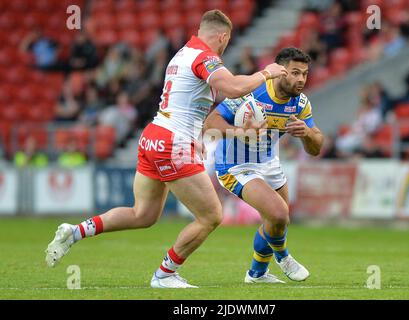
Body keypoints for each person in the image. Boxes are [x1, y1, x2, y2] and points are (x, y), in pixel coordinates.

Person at [45, 10, 288, 289]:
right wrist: (265, 73)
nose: (225, 47)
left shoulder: (182, 54)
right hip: (173, 142)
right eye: (226, 41)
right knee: (211, 216)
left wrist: (196, 136)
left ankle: (74, 232)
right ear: (222, 36)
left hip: (154, 136)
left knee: (143, 214)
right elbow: (233, 88)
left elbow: (184, 102)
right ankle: (165, 274)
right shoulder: (204, 56)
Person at [204, 48, 323, 283]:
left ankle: (257, 274)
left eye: (305, 74)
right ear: (279, 72)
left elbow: (316, 148)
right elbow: (210, 124)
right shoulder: (252, 92)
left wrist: (307, 133)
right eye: (295, 73)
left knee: (277, 222)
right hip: (235, 166)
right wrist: (242, 132)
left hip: (268, 162)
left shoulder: (300, 103)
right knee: (278, 214)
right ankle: (284, 257)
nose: (300, 79)